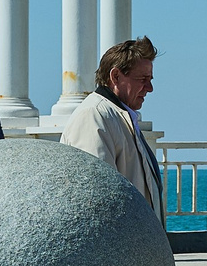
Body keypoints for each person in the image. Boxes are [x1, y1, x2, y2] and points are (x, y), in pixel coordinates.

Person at [61, 37, 163, 225]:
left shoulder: (118, 116)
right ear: (115, 76)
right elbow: (96, 194)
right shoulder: (93, 116)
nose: (150, 88)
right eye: (143, 79)